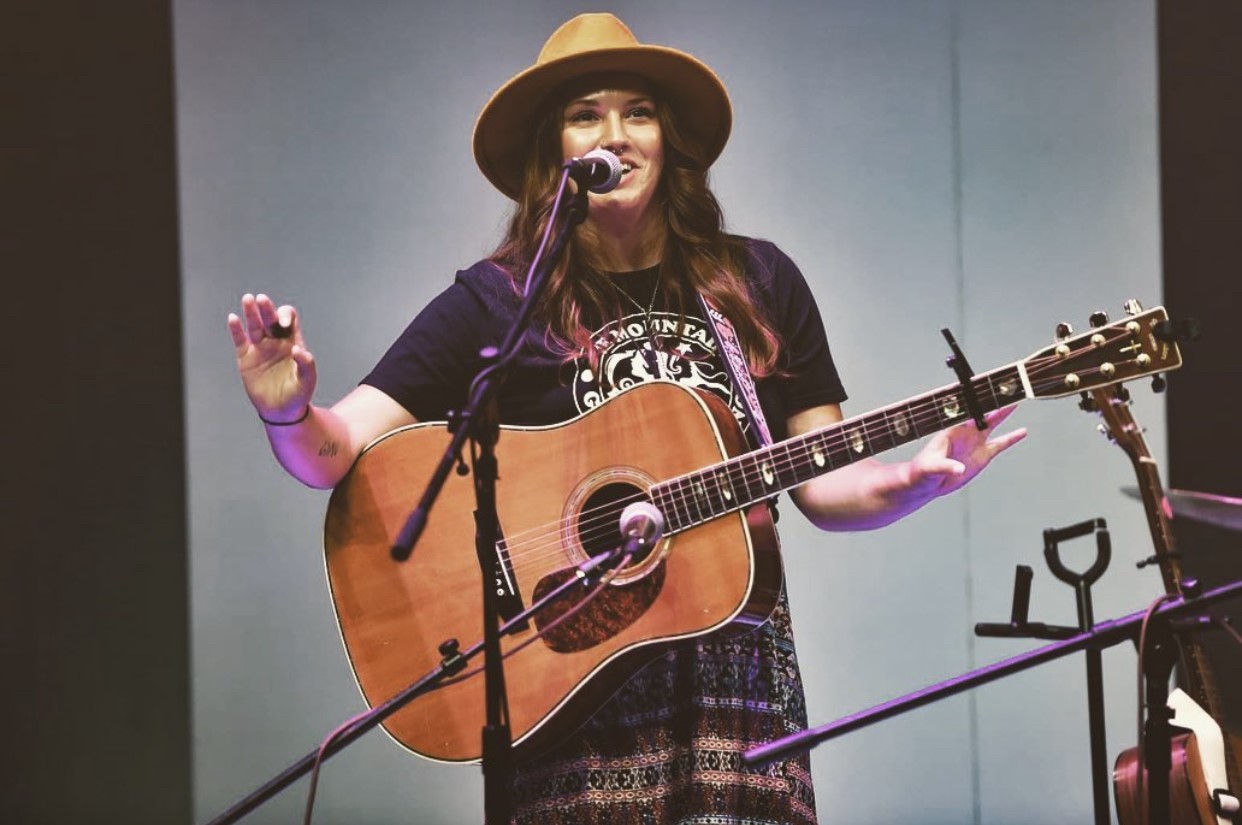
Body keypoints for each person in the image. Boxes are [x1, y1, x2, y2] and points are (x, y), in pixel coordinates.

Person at [227, 13, 1025, 825]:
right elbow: (337, 453)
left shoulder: (755, 282)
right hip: (571, 694)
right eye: (587, 114)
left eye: (638, 111)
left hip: (735, 695)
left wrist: (912, 479)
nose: (618, 133)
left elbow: (822, 480)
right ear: (556, 152)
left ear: (667, 137)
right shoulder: (496, 301)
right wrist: (291, 411)